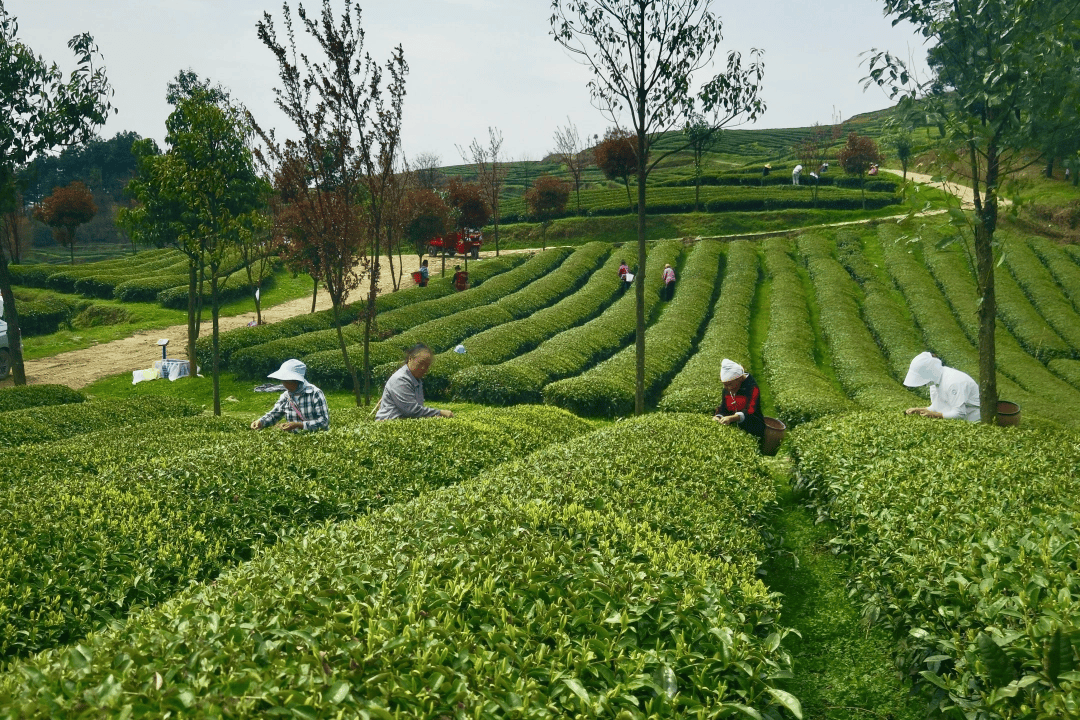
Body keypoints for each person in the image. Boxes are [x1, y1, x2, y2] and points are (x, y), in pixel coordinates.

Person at [375, 343, 454, 421]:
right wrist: (439, 412)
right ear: (410, 359)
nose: (423, 368)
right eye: (421, 363)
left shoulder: (416, 379)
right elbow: (411, 410)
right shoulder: (400, 379)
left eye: (427, 366)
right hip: (388, 421)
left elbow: (415, 411)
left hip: (402, 420)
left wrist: (431, 416)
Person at [250, 358, 329, 432]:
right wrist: (260, 422)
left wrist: (299, 425)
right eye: (283, 381)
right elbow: (274, 414)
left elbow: (324, 421)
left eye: (287, 381)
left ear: (296, 380)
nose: (284, 385)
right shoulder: (286, 396)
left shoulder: (315, 393)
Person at [903, 351, 980, 422]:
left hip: (974, 420)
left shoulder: (953, 382)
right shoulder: (934, 381)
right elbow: (937, 406)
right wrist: (920, 410)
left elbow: (959, 413)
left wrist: (935, 415)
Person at [713, 358, 765, 438]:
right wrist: (718, 416)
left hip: (753, 429)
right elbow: (724, 408)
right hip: (734, 430)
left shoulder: (753, 388)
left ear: (740, 379)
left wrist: (733, 418)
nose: (728, 388)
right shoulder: (726, 390)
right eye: (725, 385)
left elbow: (751, 411)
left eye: (730, 384)